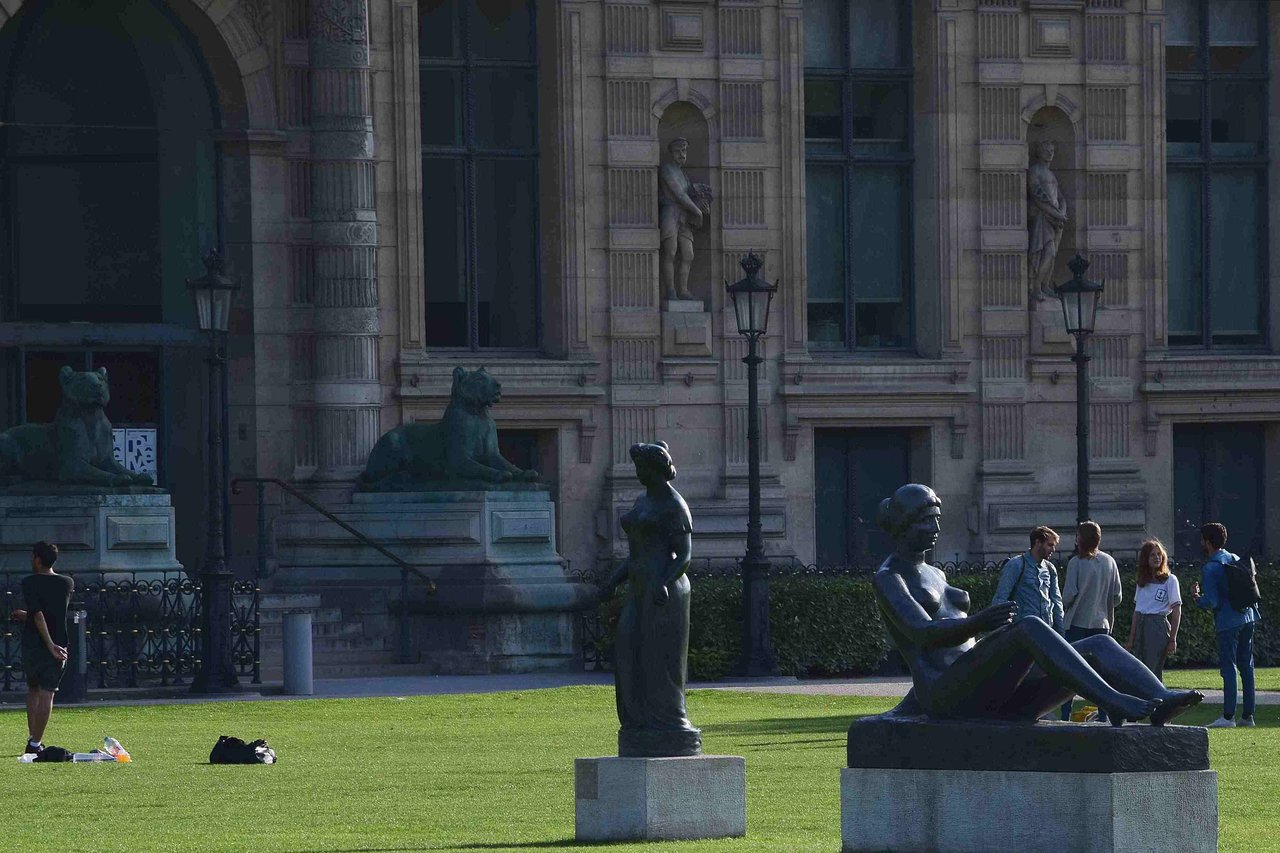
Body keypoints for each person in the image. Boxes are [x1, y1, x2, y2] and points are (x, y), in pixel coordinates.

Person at [872, 485, 1202, 726]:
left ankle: (1161, 699)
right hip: (946, 696)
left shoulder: (936, 572)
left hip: (990, 691)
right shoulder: (890, 577)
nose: (937, 529)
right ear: (903, 524)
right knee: (1028, 627)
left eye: (937, 519)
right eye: (926, 521)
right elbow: (922, 633)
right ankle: (1114, 701)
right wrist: (981, 622)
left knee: (1098, 643)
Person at [598, 440, 701, 756]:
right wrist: (614, 581)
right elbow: (636, 555)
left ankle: (670, 720)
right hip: (639, 587)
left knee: (660, 661)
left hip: (664, 593)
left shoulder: (674, 505)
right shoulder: (643, 501)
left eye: (642, 468)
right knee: (629, 654)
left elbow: (683, 555)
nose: (638, 473)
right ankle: (637, 722)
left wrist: (663, 582)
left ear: (655, 470)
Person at [9, 541, 74, 756]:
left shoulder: (29, 583)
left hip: (35, 644)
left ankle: (33, 739)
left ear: (37, 558)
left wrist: (48, 644)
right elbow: (53, 614)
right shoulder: (67, 583)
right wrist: (54, 643)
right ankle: (35, 742)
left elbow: (38, 614)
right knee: (48, 692)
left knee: (34, 690)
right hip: (59, 642)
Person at [1192, 523, 1259, 728]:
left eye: (1203, 539)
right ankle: (1248, 716)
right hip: (1248, 616)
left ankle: (1228, 716)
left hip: (1228, 621)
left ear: (1208, 542)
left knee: (1228, 667)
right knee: (1246, 667)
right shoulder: (1234, 557)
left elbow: (1212, 601)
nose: (1201, 543)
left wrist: (1197, 597)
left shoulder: (1211, 567)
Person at [1059, 521, 1123, 720]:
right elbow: (1117, 596)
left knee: (1070, 671)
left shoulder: (1076, 563)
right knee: (1102, 674)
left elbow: (1069, 595)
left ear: (1082, 539)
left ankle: (1065, 715)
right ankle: (1104, 715)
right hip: (1101, 624)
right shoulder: (1109, 561)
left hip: (1077, 622)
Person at [1125, 539, 1181, 681]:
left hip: (1157, 625)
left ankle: (1157, 700)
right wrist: (1131, 639)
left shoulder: (1170, 580)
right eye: (1152, 555)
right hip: (1142, 625)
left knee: (1152, 669)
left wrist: (1172, 639)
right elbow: (1137, 611)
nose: (1157, 558)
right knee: (1139, 668)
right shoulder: (1142, 582)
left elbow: (1176, 610)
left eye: (1159, 554)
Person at [993, 526, 1064, 635]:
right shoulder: (1016, 564)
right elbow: (1000, 598)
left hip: (1046, 630)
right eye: (1050, 545)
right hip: (1023, 631)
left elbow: (1056, 601)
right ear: (1038, 543)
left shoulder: (1050, 568)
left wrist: (1061, 632)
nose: (1053, 550)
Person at [658, 137, 705, 301]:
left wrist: (700, 202)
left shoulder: (684, 174)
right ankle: (671, 290)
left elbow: (688, 195)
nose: (681, 154)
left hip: (684, 216)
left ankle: (683, 290)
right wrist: (697, 211)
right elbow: (678, 194)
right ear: (671, 152)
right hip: (670, 211)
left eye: (684, 150)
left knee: (688, 254)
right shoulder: (666, 169)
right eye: (678, 151)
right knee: (670, 251)